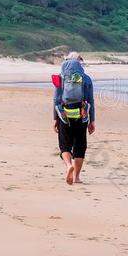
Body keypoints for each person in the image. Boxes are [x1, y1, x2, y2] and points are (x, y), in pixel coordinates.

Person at [53, 52, 96, 184]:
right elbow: (90, 100)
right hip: (81, 114)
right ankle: (76, 177)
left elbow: (56, 99)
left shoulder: (61, 78)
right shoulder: (86, 79)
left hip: (64, 114)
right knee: (80, 145)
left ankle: (68, 165)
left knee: (64, 144)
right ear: (79, 63)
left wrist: (55, 118)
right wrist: (92, 120)